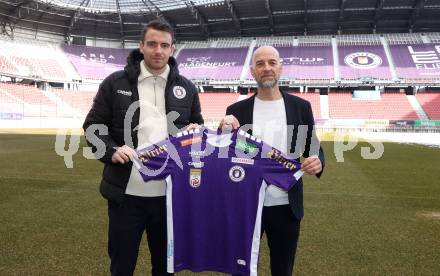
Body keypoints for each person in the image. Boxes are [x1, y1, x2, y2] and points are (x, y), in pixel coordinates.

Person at [82, 19, 203, 276]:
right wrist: (111, 150)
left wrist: (195, 133)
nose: (158, 50)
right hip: (125, 197)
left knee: (165, 267)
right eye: (152, 44)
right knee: (122, 265)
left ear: (172, 49)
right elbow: (93, 128)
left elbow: (198, 129)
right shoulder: (115, 83)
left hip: (170, 197)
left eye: (164, 45)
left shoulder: (188, 88)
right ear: (141, 46)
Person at [220, 46, 325, 276]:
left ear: (280, 67)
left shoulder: (300, 107)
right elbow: (223, 154)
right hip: (246, 205)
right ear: (252, 71)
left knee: (283, 269)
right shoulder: (236, 110)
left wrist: (318, 162)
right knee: (241, 268)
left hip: (287, 207)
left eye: (271, 62)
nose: (266, 68)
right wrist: (222, 129)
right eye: (260, 63)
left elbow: (313, 147)